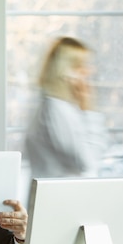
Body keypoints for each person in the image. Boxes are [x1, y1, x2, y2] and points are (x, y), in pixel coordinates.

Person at [23, 36, 108, 178]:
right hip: (59, 197)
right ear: (65, 72)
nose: (90, 71)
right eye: (82, 66)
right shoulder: (55, 110)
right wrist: (89, 109)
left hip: (61, 195)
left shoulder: (61, 108)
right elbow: (87, 163)